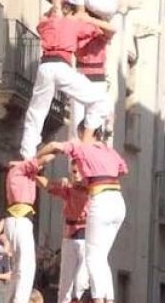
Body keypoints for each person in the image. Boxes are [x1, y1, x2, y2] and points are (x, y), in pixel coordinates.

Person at [37, 119, 128, 303]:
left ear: (83, 132)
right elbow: (122, 170)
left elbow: (54, 146)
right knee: (102, 257)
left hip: (101, 200)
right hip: (118, 201)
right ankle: (108, 299)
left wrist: (34, 159)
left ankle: (98, 299)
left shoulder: (82, 147)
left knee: (94, 257)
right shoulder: (110, 150)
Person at [19, 4, 112, 160]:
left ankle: (27, 155)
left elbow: (42, 21)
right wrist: (85, 16)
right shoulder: (74, 23)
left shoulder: (46, 23)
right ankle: (88, 140)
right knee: (100, 99)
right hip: (62, 66)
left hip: (45, 66)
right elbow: (105, 29)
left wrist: (54, 9)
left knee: (36, 112)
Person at [2, 154, 53, 303]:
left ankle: (12, 299)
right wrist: (57, 149)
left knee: (19, 268)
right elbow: (41, 161)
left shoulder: (24, 174)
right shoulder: (19, 170)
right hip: (20, 220)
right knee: (26, 267)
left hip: (18, 221)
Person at [40, 163, 89, 303]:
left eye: (81, 172)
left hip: (87, 238)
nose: (77, 175)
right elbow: (48, 185)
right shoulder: (68, 189)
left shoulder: (93, 190)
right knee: (65, 284)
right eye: (74, 172)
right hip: (70, 237)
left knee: (81, 282)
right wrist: (35, 173)